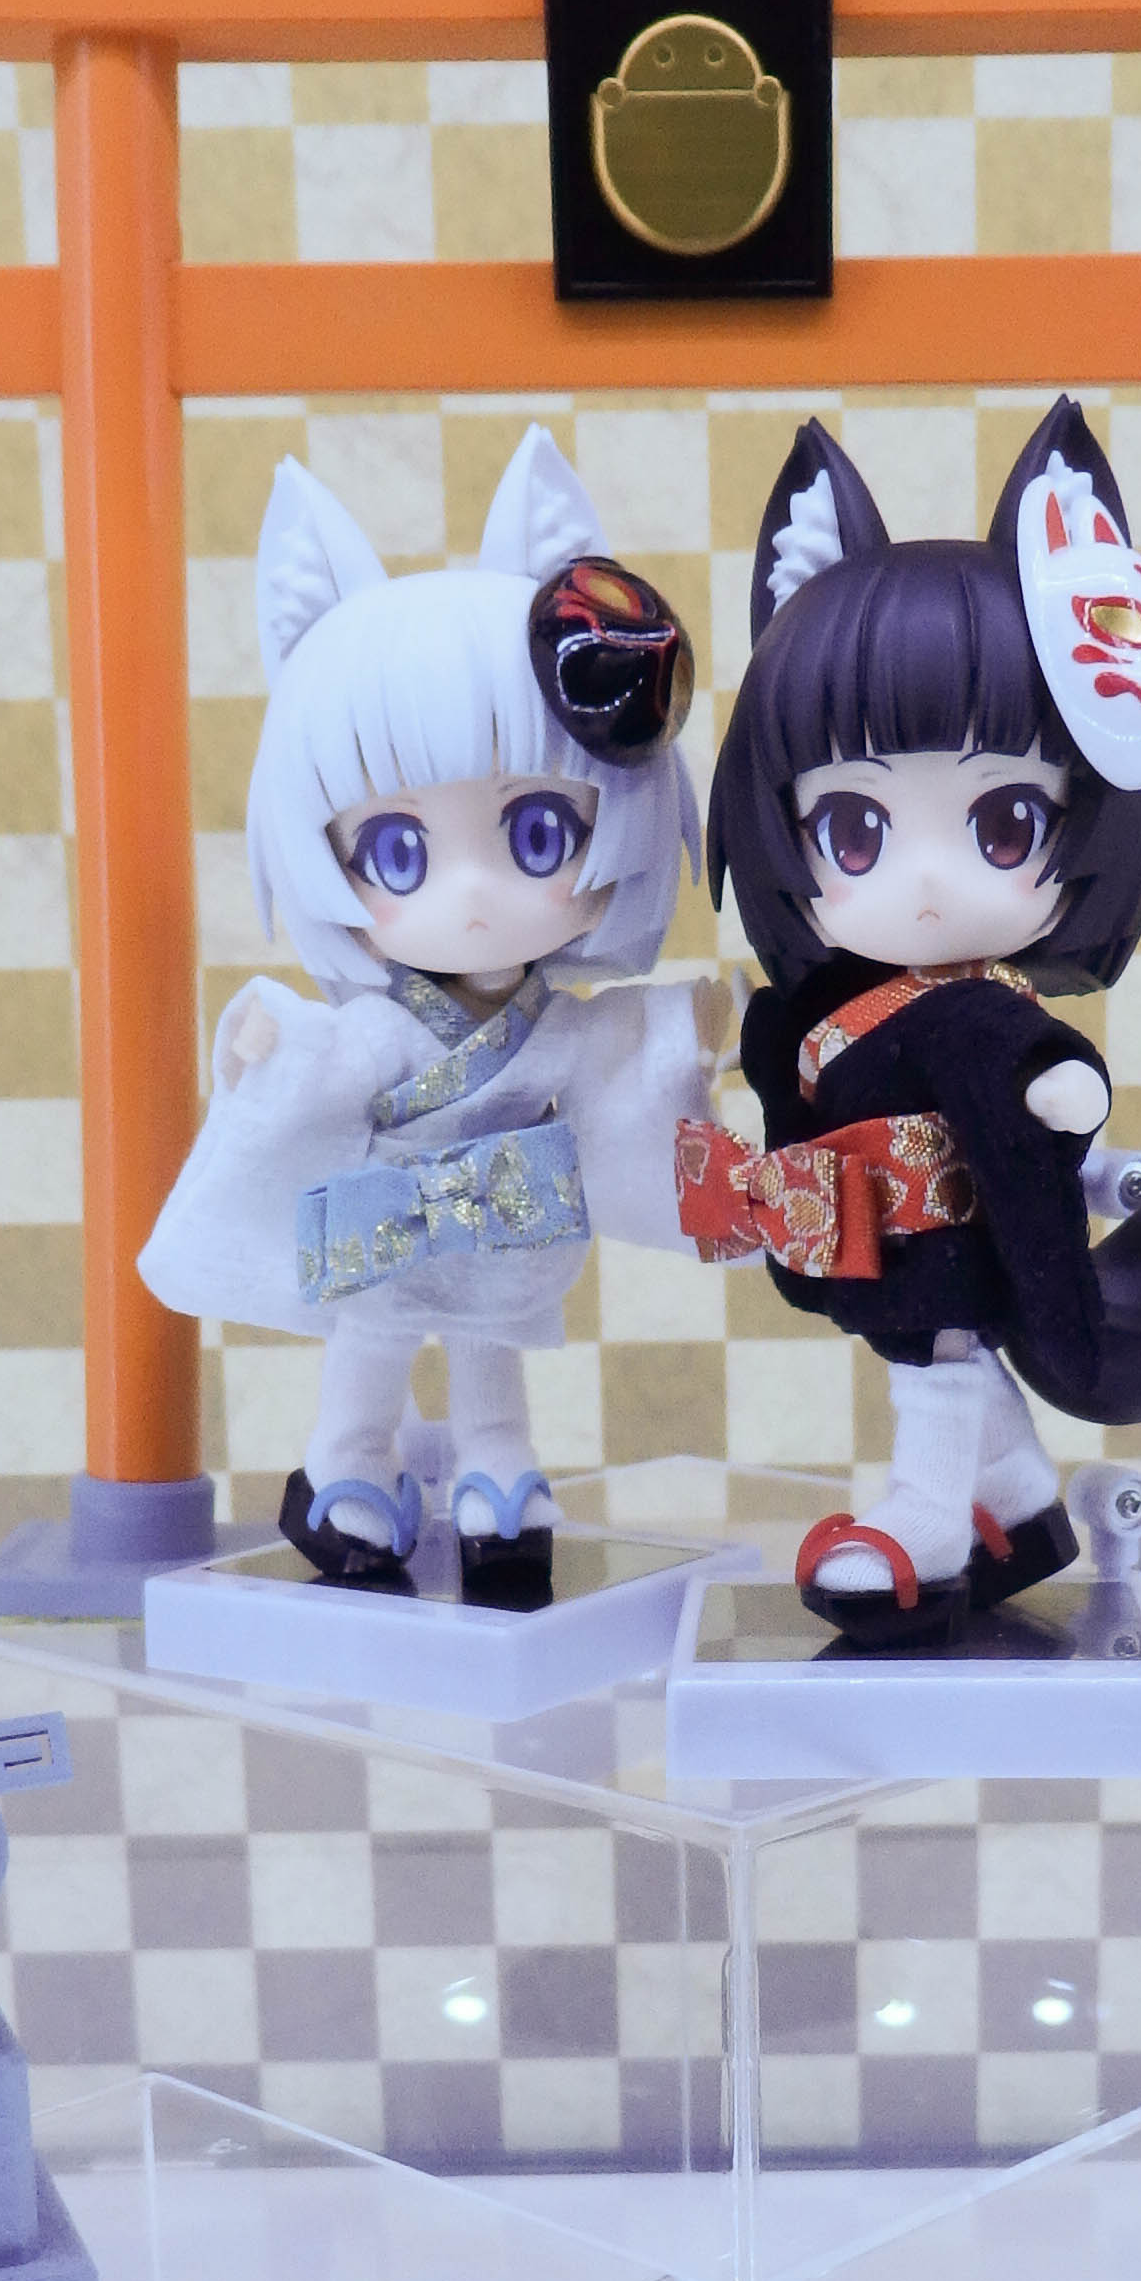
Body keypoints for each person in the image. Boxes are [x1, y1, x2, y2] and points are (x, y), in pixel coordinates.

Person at [691, 398, 1141, 1645]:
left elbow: (1035, 1064)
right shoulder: (835, 1005)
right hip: (873, 1239)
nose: (930, 883)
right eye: (856, 831)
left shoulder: (980, 1016)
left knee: (937, 1368)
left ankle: (927, 1526)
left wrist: (1059, 1088)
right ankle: (1017, 1507)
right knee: (936, 1358)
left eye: (1005, 824)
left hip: (945, 1236)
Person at [140, 429, 707, 1607]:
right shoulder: (383, 1029)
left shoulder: (550, 1025)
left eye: (539, 834)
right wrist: (266, 1046)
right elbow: (316, 1063)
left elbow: (614, 1055)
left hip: (511, 1236)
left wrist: (697, 1023)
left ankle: (498, 1471)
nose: (475, 898)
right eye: (399, 853)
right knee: (374, 1346)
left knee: (496, 1352)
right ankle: (350, 1466)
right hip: (389, 1224)